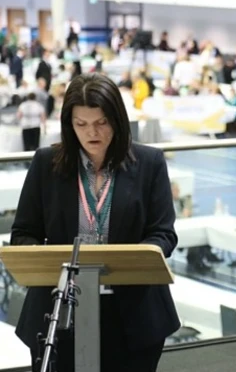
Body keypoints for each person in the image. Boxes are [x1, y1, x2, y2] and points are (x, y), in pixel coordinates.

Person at [10, 73, 181, 372]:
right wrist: (45, 260)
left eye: (101, 122)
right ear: (69, 125)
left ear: (117, 119)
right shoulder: (46, 164)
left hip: (132, 311)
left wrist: (137, 259)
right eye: (81, 124)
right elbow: (24, 232)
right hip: (60, 308)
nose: (92, 133)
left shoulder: (149, 163)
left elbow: (163, 232)